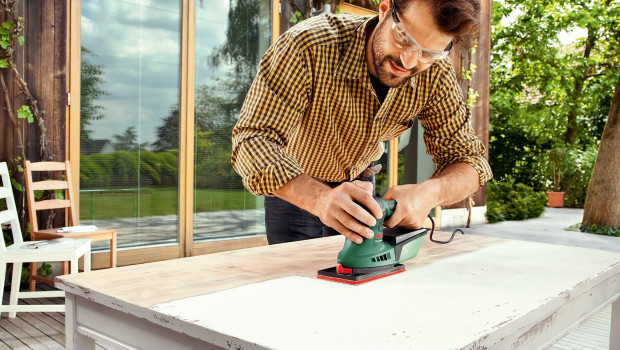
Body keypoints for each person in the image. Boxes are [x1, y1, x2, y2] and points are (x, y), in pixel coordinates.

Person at [232, 0, 492, 245]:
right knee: (297, 284)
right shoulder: (308, 45)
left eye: (428, 53)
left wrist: (430, 193)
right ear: (384, 9)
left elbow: (470, 161)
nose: (409, 62)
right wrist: (321, 199)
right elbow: (252, 139)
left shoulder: (436, 73)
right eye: (403, 38)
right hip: (295, 188)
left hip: (362, 187)